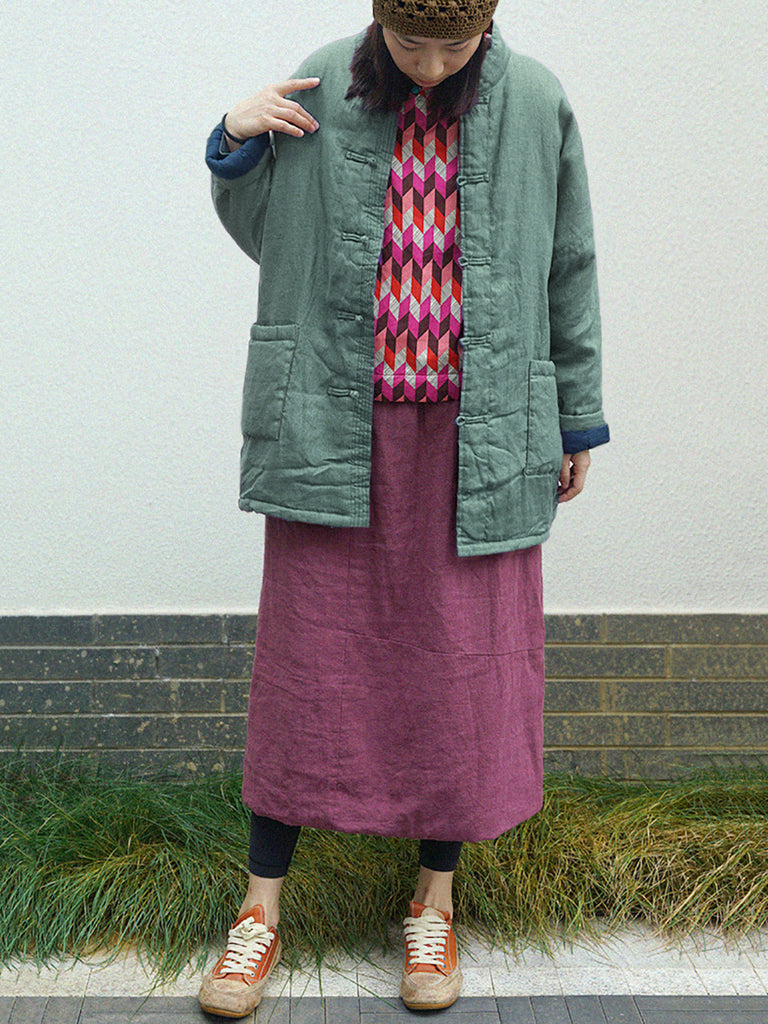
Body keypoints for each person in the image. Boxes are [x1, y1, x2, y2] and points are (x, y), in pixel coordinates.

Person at [200, 0, 609, 1016]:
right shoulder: (325, 79)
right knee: (304, 666)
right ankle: (258, 911)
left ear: (488, 26)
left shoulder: (537, 103)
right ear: (379, 20)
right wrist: (233, 143)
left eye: (452, 47)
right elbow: (273, 236)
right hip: (334, 421)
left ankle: (434, 903)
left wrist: (577, 417)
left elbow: (569, 262)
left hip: (480, 431)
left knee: (460, 674)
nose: (428, 65)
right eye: (409, 43)